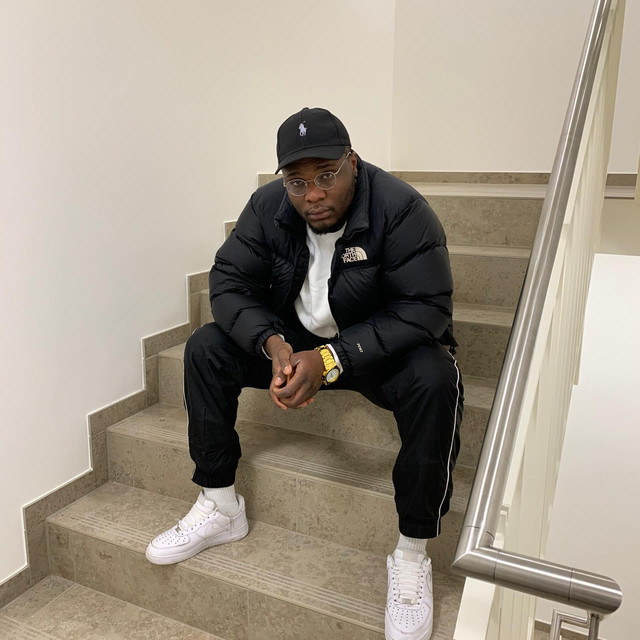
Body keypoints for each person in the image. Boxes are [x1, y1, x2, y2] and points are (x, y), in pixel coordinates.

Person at [146, 107, 463, 640]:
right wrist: (274, 345)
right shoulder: (268, 207)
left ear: (352, 163)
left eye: (326, 175)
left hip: (370, 346)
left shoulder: (402, 209)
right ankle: (220, 504)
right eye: (297, 181)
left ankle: (412, 552)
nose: (313, 194)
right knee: (205, 347)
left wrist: (332, 358)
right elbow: (228, 283)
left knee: (436, 378)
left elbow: (426, 308)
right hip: (295, 342)